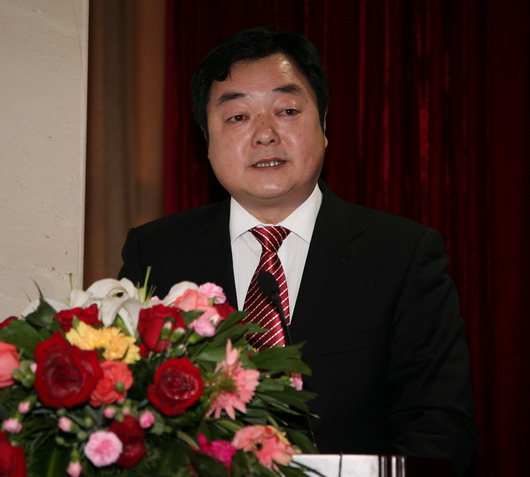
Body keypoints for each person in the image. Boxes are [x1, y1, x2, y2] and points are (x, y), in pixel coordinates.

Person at [119, 27, 478, 475]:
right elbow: (123, 417)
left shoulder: (402, 255)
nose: (265, 135)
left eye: (287, 110)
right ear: (205, 139)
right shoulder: (156, 253)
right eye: (237, 117)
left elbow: (438, 427)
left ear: (323, 124)